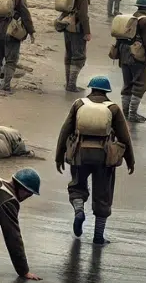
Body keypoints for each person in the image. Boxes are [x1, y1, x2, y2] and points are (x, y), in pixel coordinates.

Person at [54, 76, 135, 244]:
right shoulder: (113, 108)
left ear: (91, 89)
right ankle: (98, 236)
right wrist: (130, 160)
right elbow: (124, 138)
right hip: (104, 157)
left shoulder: (79, 104)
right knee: (103, 194)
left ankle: (78, 210)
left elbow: (65, 131)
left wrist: (59, 156)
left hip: (79, 154)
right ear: (107, 91)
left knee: (77, 186)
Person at [112, 0, 146, 123]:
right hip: (136, 55)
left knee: (127, 84)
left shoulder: (131, 17)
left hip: (123, 53)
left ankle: (125, 113)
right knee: (140, 84)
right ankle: (132, 114)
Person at [59, 0, 94, 92]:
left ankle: (68, 83)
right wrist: (87, 32)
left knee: (69, 54)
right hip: (77, 29)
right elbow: (84, 16)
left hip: (67, 26)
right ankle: (71, 85)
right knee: (78, 56)